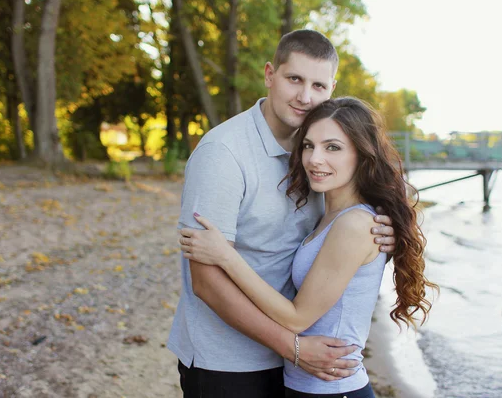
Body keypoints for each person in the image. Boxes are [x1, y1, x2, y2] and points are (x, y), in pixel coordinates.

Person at [167, 30, 396, 398]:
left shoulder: (319, 156)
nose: (306, 97)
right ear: (270, 75)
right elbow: (206, 282)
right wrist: (293, 346)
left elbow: (379, 190)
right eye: (294, 79)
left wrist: (391, 228)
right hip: (229, 362)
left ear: (332, 89)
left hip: (295, 363)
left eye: (318, 85)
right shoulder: (223, 154)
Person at [180, 97, 439, 398]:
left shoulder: (355, 224)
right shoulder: (329, 213)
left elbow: (296, 318)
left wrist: (226, 257)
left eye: (333, 147)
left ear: (362, 154)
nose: (315, 159)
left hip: (333, 388)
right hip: (308, 386)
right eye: (308, 146)